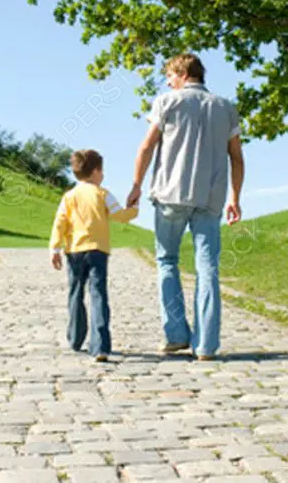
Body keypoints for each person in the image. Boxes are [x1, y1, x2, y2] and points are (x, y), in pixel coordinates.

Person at [127, 54, 245, 361]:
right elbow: (237, 157)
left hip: (170, 196)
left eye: (169, 75)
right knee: (208, 269)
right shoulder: (226, 107)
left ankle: (177, 335)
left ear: (181, 74)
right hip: (211, 198)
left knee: (167, 260)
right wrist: (235, 198)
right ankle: (206, 345)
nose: (167, 81)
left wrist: (137, 185)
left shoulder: (166, 102)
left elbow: (147, 146)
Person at [50, 149, 138, 362]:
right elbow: (120, 216)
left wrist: (55, 248)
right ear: (96, 171)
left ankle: (75, 338)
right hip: (98, 251)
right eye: (102, 171)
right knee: (98, 294)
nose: (103, 175)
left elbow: (60, 222)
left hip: (74, 252)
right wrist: (134, 208)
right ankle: (100, 346)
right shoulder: (103, 194)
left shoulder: (69, 196)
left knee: (75, 294)